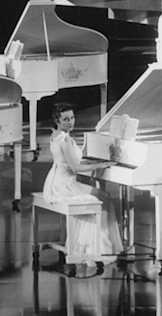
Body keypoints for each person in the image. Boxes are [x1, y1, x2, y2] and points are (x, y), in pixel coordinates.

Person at [42, 103, 123, 271]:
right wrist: (102, 164)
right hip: (64, 185)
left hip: (58, 180)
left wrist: (97, 161)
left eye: (72, 118)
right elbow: (76, 168)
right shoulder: (65, 140)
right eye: (66, 119)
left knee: (104, 196)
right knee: (102, 198)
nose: (70, 122)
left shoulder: (56, 135)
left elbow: (72, 161)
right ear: (57, 120)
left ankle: (90, 246)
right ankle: (94, 249)